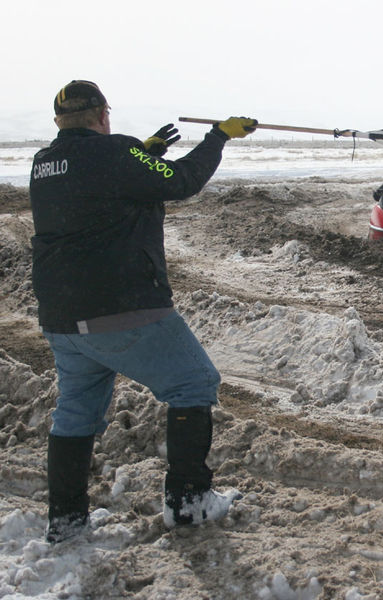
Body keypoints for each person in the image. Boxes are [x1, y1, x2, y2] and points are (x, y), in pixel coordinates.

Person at [29, 80, 257, 543]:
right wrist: (218, 136)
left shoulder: (43, 163)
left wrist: (145, 154)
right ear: (101, 117)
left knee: (74, 412)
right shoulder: (115, 152)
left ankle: (67, 522)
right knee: (194, 382)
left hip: (62, 316)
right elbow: (182, 182)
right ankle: (190, 503)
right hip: (122, 307)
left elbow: (104, 183)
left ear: (59, 121)